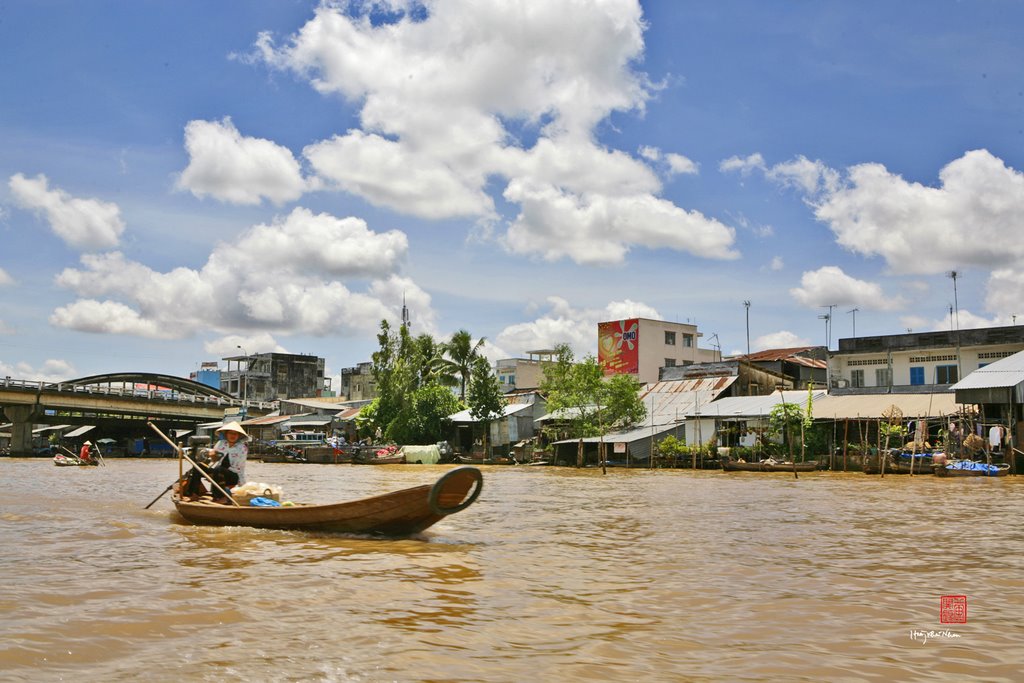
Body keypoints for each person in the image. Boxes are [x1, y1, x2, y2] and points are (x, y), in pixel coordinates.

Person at [208, 421, 249, 500]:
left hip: (233, 475)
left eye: (235, 434)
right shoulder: (221, 443)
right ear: (226, 434)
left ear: (238, 436)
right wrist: (212, 455)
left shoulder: (242, 448)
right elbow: (213, 460)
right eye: (230, 433)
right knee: (199, 466)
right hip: (219, 471)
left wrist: (216, 472)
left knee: (218, 469)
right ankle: (192, 493)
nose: (232, 436)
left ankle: (220, 497)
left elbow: (237, 467)